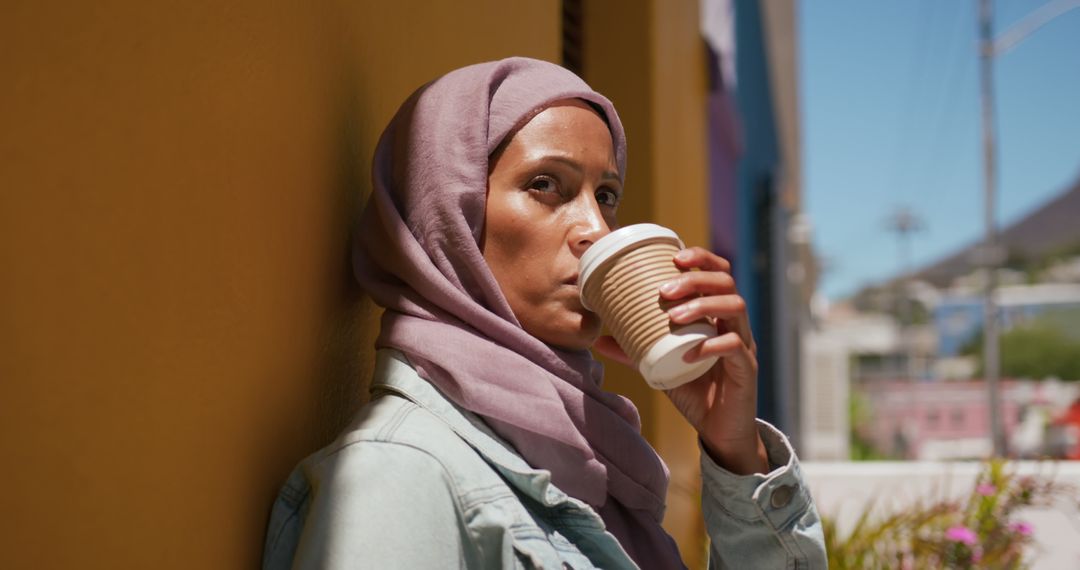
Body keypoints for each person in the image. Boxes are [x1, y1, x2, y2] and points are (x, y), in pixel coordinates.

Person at [262, 57, 826, 569]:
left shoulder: (591, 462)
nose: (595, 231)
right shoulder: (398, 477)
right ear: (452, 218)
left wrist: (737, 450)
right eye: (544, 185)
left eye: (605, 194)